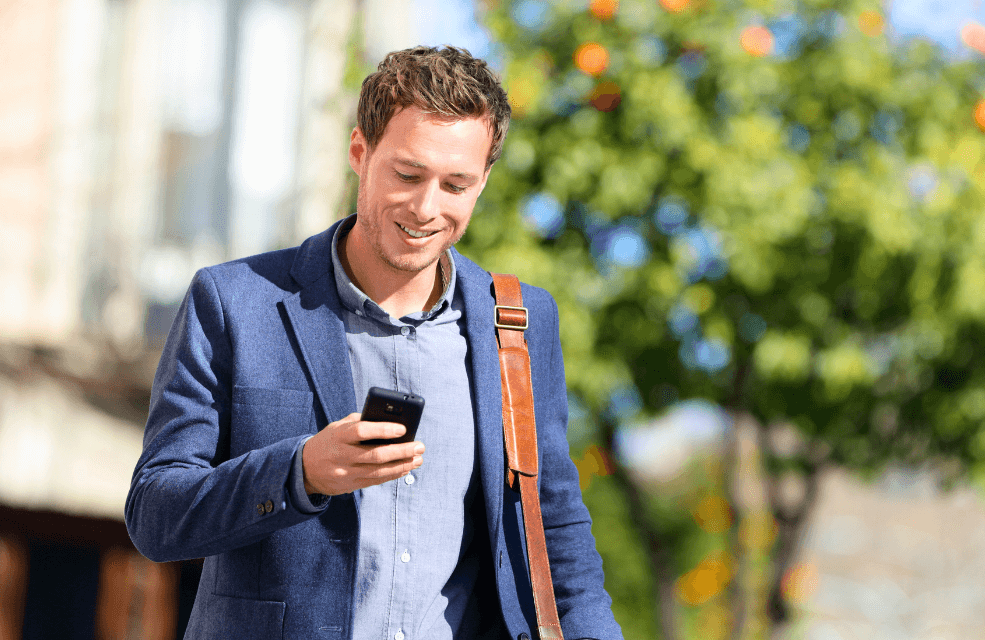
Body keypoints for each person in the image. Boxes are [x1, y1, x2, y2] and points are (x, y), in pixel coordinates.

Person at [126, 45, 623, 640]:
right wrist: (300, 472)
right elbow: (156, 515)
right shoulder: (234, 302)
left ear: (484, 179)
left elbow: (555, 526)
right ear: (360, 152)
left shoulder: (516, 321)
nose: (426, 207)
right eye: (408, 175)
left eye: (455, 184)